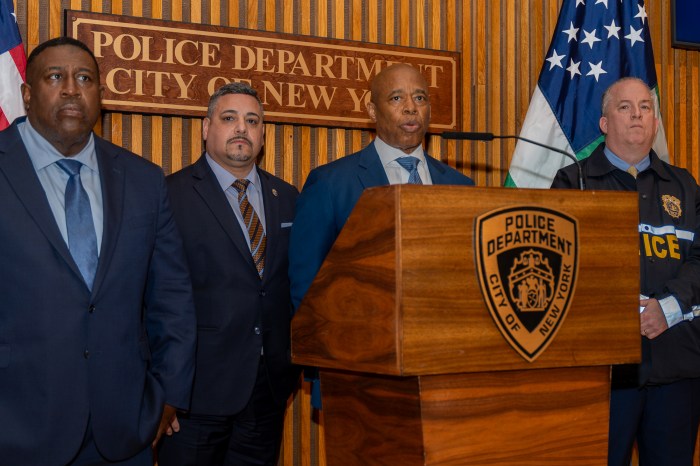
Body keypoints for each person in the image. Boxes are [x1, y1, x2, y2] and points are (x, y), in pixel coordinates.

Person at [0, 37, 196, 465]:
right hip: (16, 427)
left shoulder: (143, 180)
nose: (72, 88)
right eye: (56, 77)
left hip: (125, 430)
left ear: (99, 95)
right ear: (27, 95)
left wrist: (167, 399)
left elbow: (173, 299)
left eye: (85, 78)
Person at [288, 63, 474, 406]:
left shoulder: (461, 186)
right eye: (396, 97)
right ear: (372, 110)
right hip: (359, 376)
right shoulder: (331, 184)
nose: (410, 107)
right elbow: (307, 287)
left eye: (420, 97)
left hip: (448, 373)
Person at [551, 77, 700, 466]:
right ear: (604, 124)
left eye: (645, 107)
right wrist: (623, 309)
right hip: (603, 373)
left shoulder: (684, 185)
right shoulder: (573, 181)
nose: (637, 114)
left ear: (654, 123)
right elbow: (561, 263)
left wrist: (666, 307)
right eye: (624, 107)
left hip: (676, 366)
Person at [159, 82, 300, 466]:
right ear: (207, 128)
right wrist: (161, 388)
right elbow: (150, 298)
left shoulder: (287, 198)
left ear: (263, 134)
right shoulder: (169, 195)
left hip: (266, 391)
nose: (242, 128)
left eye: (252, 120)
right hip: (193, 394)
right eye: (229, 118)